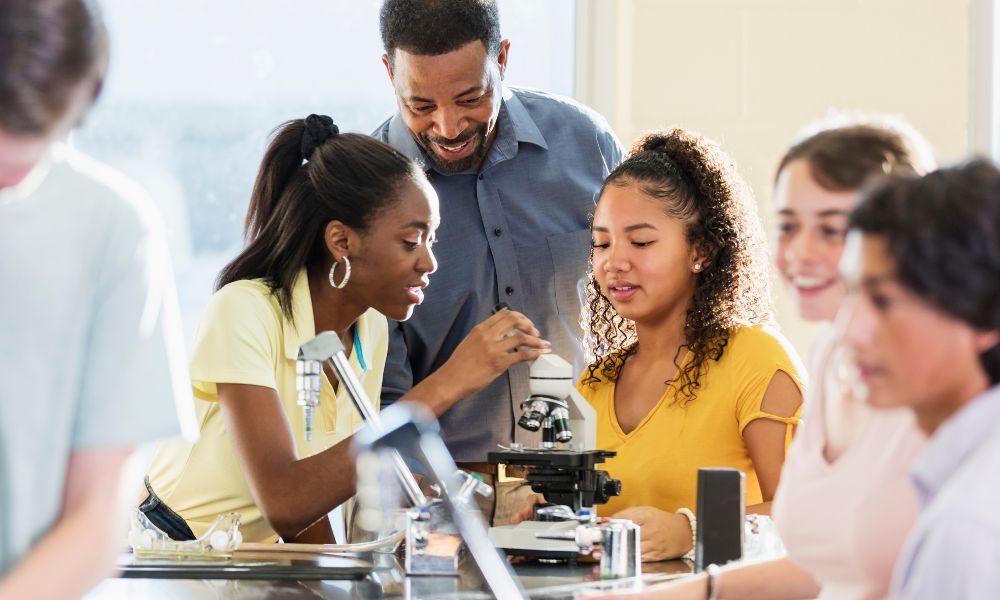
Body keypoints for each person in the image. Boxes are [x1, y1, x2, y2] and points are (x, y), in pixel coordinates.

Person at [143, 115, 549, 544]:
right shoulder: (243, 311)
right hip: (176, 551)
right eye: (411, 242)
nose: (429, 263)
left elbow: (313, 494)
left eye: (432, 241)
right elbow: (285, 501)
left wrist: (483, 505)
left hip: (254, 553)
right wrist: (449, 383)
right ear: (341, 242)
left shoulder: (368, 327)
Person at [593, 117, 934, 599]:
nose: (799, 252)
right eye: (789, 226)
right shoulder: (832, 356)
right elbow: (816, 553)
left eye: (832, 229)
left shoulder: (932, 381)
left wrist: (689, 532)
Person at [373, 0, 623, 521]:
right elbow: (374, 416)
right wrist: (476, 502)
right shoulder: (367, 195)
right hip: (442, 506)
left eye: (471, 98)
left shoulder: (587, 144)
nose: (448, 127)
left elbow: (637, 312)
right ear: (389, 74)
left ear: (502, 58)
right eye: (421, 105)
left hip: (586, 487)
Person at [0, 0, 193, 597]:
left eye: (34, 132)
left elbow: (100, 510)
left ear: (87, 95)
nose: (10, 159)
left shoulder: (112, 227)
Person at [564, 128, 805, 561]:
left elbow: (808, 515)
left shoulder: (756, 359)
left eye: (641, 242)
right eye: (602, 243)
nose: (614, 262)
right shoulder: (595, 384)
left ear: (702, 251)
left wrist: (691, 531)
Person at [844, 159, 1000, 598]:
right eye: (852, 294)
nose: (851, 331)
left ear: (982, 313)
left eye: (883, 301)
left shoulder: (968, 529)